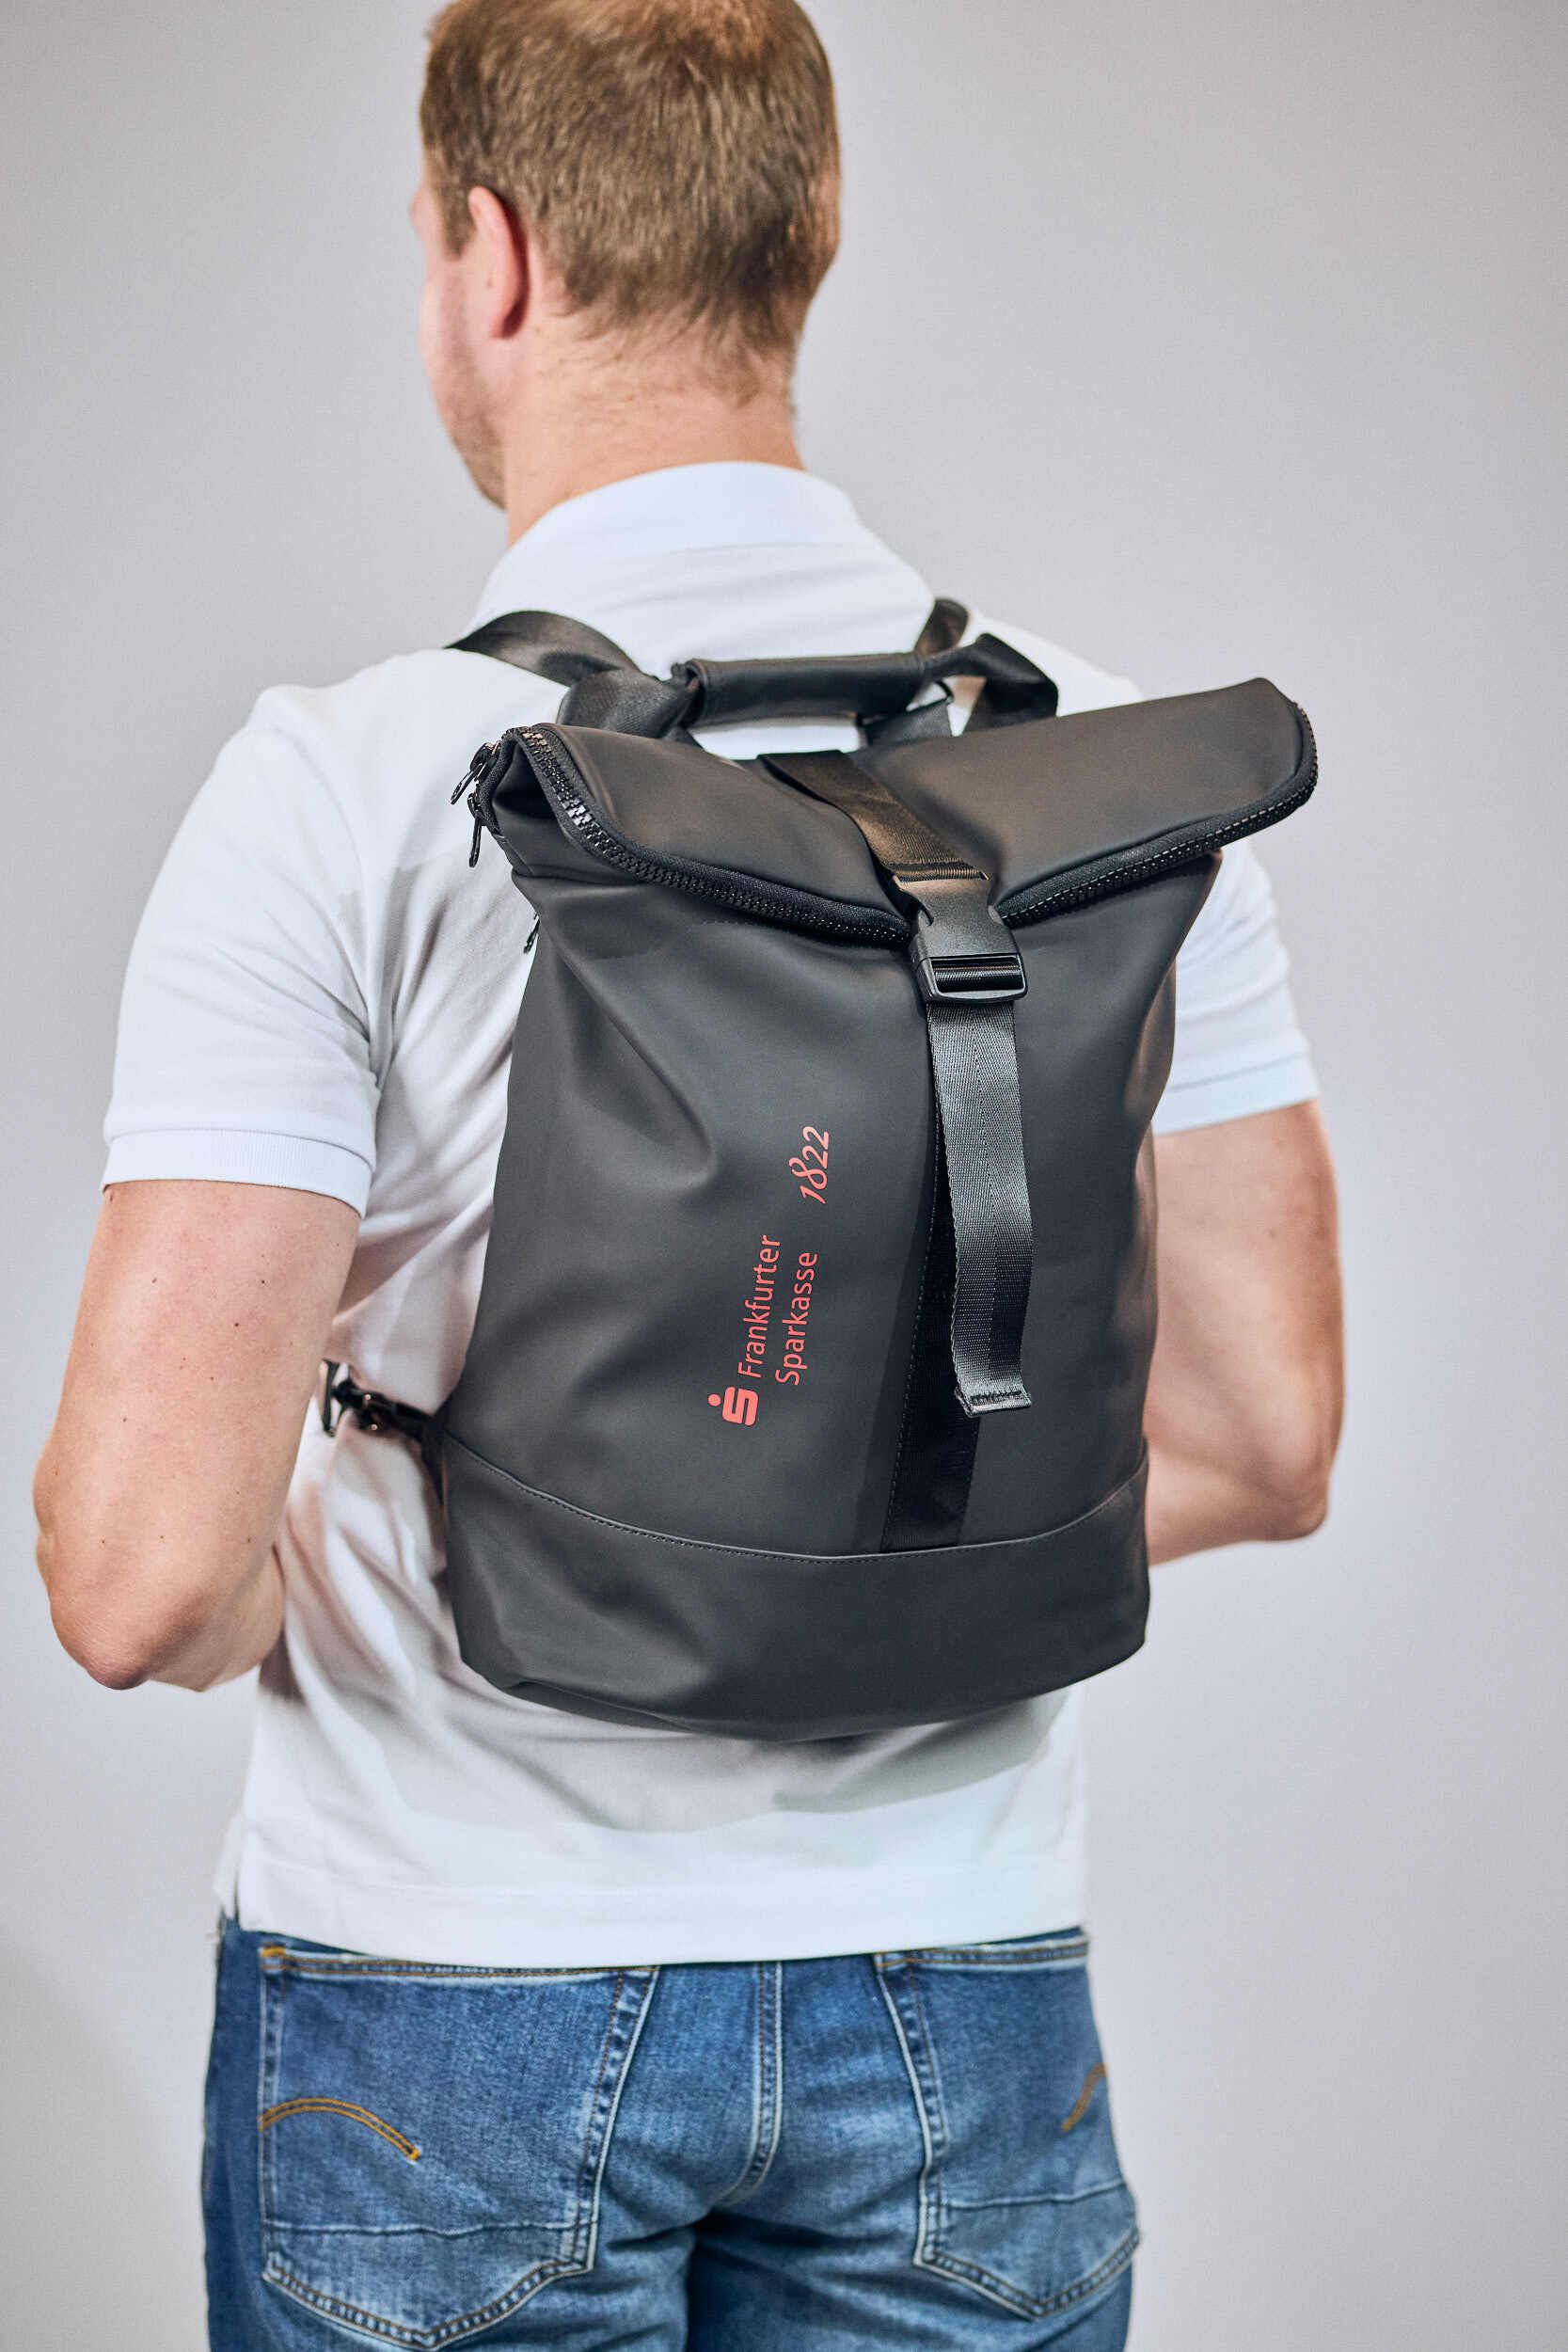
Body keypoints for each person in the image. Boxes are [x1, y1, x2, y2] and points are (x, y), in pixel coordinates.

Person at [33, 4, 1343, 2345]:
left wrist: (367, 1568)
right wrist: (833, 1544)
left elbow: (140, 1577)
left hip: (445, 1998)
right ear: (812, 229)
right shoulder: (1122, 800)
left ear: (494, 254)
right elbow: (1261, 1434)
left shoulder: (346, 788)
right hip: (967, 2005)